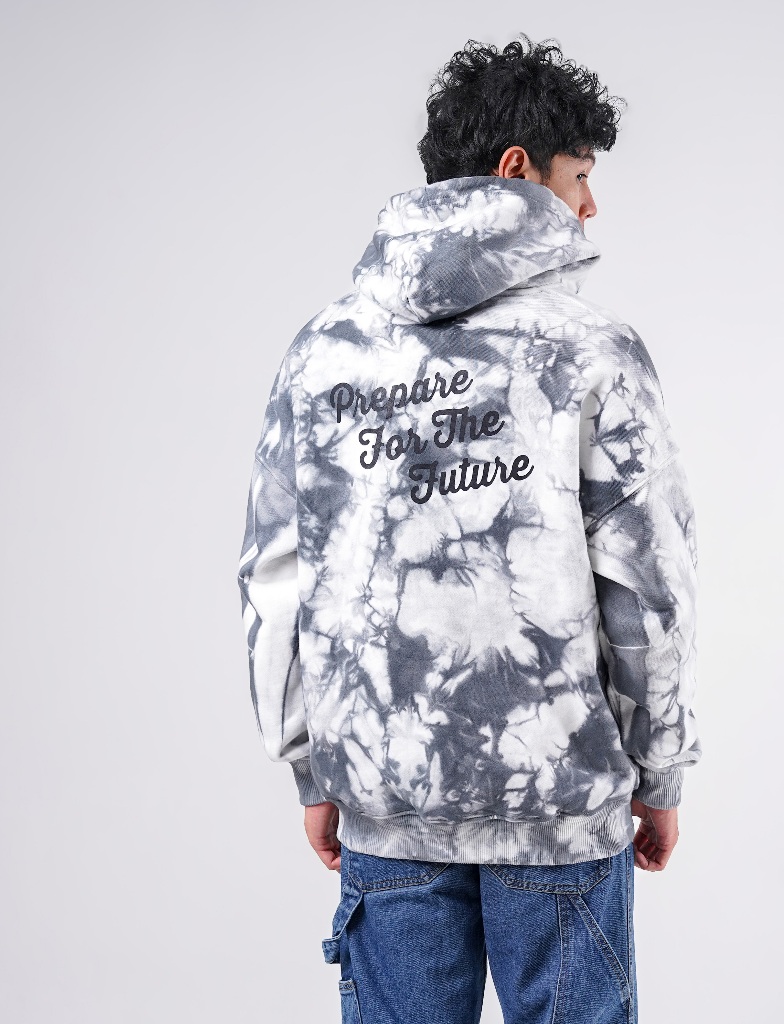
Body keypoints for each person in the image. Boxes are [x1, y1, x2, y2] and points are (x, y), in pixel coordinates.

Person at [237, 33, 701, 1024]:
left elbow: (275, 577)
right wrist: (658, 766)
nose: (589, 206)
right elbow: (647, 585)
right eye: (580, 175)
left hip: (387, 803)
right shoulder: (592, 351)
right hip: (558, 809)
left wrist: (310, 765)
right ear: (518, 169)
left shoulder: (323, 351)